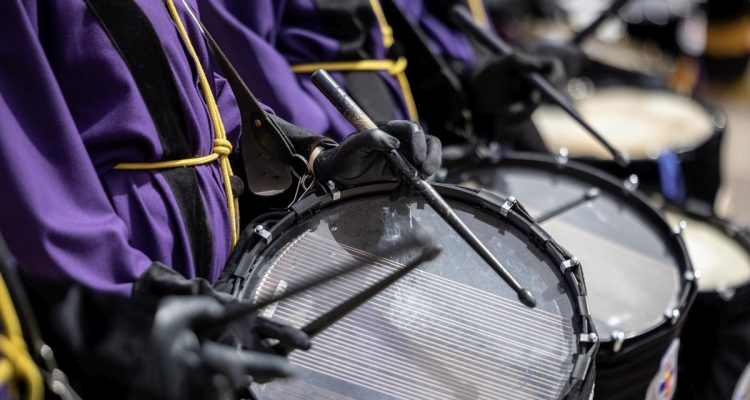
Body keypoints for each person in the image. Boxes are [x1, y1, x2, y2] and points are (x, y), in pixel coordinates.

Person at [0, 0, 440, 394]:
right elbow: (23, 163)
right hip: (117, 261)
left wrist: (314, 155)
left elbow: (206, 95)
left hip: (197, 259)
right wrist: (128, 295)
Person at [197, 0, 564, 151]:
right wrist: (320, 147)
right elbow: (246, 59)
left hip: (396, 128)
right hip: (328, 138)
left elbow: (419, 43)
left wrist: (478, 87)